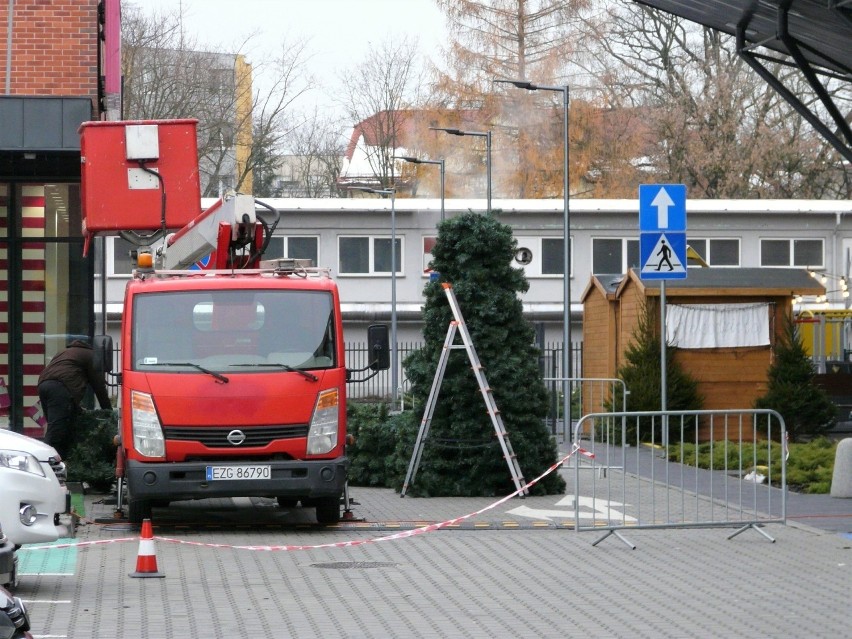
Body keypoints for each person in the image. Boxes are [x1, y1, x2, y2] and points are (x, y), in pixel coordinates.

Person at [37, 339, 112, 458]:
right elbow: (99, 387)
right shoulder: (91, 355)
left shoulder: (64, 352)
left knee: (57, 426)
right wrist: (109, 412)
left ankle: (59, 460)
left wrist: (75, 407)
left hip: (44, 384)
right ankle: (44, 460)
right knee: (57, 430)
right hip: (60, 387)